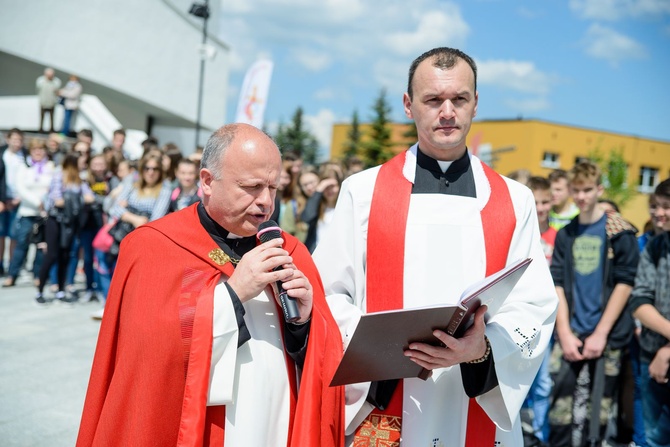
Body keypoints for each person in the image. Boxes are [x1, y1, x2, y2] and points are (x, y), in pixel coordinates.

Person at [313, 47, 558, 447]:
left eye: (459, 99)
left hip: (472, 396)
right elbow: (328, 294)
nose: (447, 111)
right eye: (433, 100)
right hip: (386, 396)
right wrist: (381, 346)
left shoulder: (515, 200)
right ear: (409, 105)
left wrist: (480, 349)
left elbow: (534, 304)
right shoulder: (363, 192)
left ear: (475, 103)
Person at [76, 123, 344, 446]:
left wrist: (303, 324)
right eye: (252, 186)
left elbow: (324, 361)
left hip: (274, 429)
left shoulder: (290, 252)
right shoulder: (153, 246)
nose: (266, 203)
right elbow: (147, 359)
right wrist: (233, 294)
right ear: (207, 181)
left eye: (273, 188)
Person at [548, 161, 639, 447]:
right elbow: (558, 282)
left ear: (599, 189)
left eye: (587, 190)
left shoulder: (619, 232)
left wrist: (601, 332)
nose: (582, 197)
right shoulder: (567, 233)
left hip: (608, 336)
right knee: (560, 409)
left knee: (599, 411)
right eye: (576, 191)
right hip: (571, 333)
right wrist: (564, 332)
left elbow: (625, 283)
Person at [629, 178, 670, 447]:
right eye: (656, 206)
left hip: (661, 355)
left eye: (666, 206)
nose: (658, 213)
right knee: (652, 440)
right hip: (651, 357)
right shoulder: (656, 246)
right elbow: (640, 302)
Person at [522, 176, 558, 445]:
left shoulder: (557, 237)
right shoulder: (523, 235)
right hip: (523, 317)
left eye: (546, 201)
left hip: (549, 319)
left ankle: (540, 434)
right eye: (536, 202)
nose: (541, 207)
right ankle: (519, 431)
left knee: (543, 381)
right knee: (520, 379)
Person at [37, 153, 95, 305]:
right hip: (56, 221)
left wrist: (73, 201)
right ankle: (40, 290)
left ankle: (61, 290)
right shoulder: (59, 176)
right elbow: (57, 200)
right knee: (51, 255)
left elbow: (90, 197)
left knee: (65, 255)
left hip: (70, 223)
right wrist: (76, 201)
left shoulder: (79, 180)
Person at [3, 140, 55, 287]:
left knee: (40, 246)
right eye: (35, 149)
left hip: (44, 213)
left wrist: (45, 202)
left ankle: (37, 275)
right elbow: (20, 188)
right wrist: (37, 201)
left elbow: (52, 186)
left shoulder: (50, 167)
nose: (38, 152)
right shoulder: (24, 167)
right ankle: (12, 274)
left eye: (41, 149)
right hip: (28, 211)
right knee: (22, 244)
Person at [0, 128, 28, 278]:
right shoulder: (2, 154)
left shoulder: (24, 156)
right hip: (2, 201)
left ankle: (12, 266)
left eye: (20, 140)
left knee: (14, 235)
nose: (17, 143)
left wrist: (19, 198)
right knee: (1, 234)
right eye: (14, 139)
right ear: (8, 139)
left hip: (18, 201)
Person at [36, 68, 62, 133]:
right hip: (43, 102)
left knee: (52, 118)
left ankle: (51, 131)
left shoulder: (56, 81)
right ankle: (40, 130)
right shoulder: (40, 81)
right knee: (42, 117)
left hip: (52, 103)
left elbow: (57, 91)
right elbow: (38, 90)